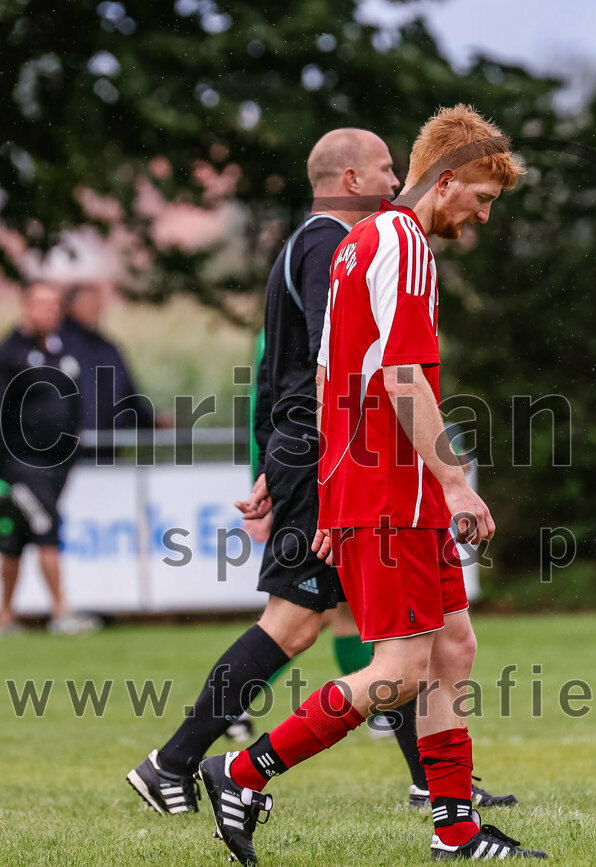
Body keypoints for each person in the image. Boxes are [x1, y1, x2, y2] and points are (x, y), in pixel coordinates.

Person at [126, 127, 514, 818]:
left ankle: (439, 788)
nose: (398, 182)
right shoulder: (332, 244)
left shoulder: (327, 244)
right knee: (306, 624)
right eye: (387, 169)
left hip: (320, 450)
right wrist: (296, 464)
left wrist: (275, 455)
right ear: (351, 178)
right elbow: (335, 367)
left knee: (410, 632)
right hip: (340, 452)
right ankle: (189, 763)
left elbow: (292, 368)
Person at [197, 105, 545, 864]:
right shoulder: (403, 242)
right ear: (446, 179)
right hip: (398, 490)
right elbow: (400, 378)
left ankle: (454, 829)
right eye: (480, 198)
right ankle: (243, 770)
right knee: (393, 674)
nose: (481, 216)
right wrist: (457, 484)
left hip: (366, 486)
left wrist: (326, 491)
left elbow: (328, 377)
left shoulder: (357, 246)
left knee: (453, 645)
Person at [0, 282, 99, 635]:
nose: (50, 311)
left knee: (15, 540)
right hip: (20, 466)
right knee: (47, 528)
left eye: (55, 305)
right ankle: (61, 612)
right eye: (42, 304)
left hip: (56, 467)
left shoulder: (65, 354)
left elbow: (74, 407)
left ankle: (5, 617)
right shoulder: (9, 354)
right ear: (26, 307)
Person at [59, 283, 155, 451]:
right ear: (70, 307)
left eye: (98, 303)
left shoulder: (109, 349)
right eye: (89, 303)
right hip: (67, 452)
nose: (97, 309)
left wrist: (152, 422)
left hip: (109, 448)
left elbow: (128, 396)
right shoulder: (56, 346)